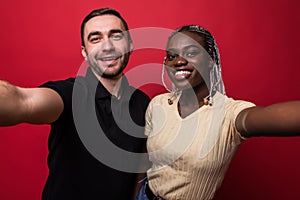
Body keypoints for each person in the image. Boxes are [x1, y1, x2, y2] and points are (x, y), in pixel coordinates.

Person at [135, 25, 300, 200]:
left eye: (191, 53)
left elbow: (264, 117)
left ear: (210, 60)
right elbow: (146, 159)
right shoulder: (158, 104)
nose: (179, 61)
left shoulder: (228, 113)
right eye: (171, 56)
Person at [0, 8, 150, 200]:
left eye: (116, 36)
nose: (107, 46)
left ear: (130, 44)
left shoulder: (143, 102)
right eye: (95, 39)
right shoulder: (70, 94)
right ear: (85, 52)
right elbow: (23, 101)